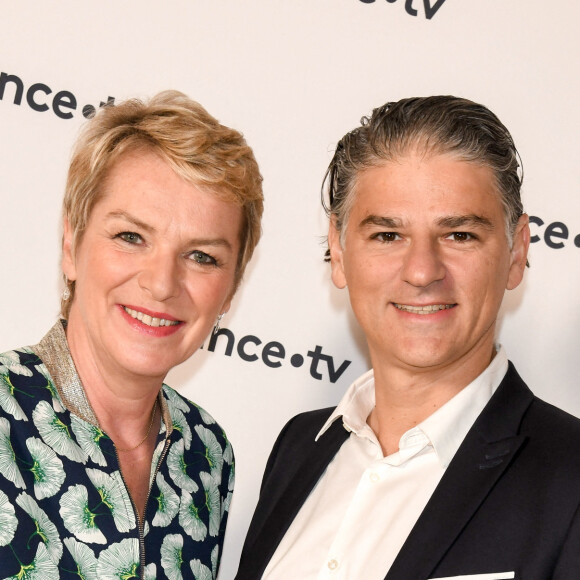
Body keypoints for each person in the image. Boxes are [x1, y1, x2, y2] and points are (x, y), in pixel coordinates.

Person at [236, 96, 580, 579]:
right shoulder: (298, 447)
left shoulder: (570, 479)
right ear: (338, 250)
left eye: (459, 234)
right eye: (387, 235)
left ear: (517, 252)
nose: (421, 271)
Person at [0, 91, 263, 578]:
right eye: (130, 237)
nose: (162, 283)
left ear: (230, 290)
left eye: (202, 256)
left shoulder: (206, 454)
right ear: (70, 244)